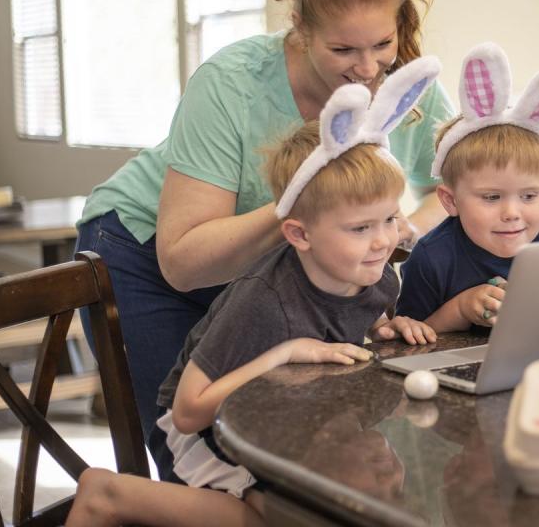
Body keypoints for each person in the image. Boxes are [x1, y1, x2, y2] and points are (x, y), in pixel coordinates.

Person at [74, 0, 454, 446]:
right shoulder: (233, 84)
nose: (368, 70)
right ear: (300, 27)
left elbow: (450, 193)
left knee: (294, 447)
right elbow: (182, 263)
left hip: (263, 274)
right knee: (194, 448)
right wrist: (310, 204)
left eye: (381, 44)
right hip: (143, 253)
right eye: (343, 51)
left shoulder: (405, 86)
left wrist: (400, 227)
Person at [65, 63, 438, 526]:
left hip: (288, 424)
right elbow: (187, 411)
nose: (383, 241)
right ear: (298, 235)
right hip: (208, 432)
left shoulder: (376, 276)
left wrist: (387, 325)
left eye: (389, 219)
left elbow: (356, 319)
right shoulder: (264, 302)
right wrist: (286, 353)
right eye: (361, 228)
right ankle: (108, 494)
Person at [395, 42, 539, 330]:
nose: (512, 212)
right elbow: (408, 341)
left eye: (529, 196)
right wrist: (459, 309)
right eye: (492, 197)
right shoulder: (431, 259)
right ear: (450, 201)